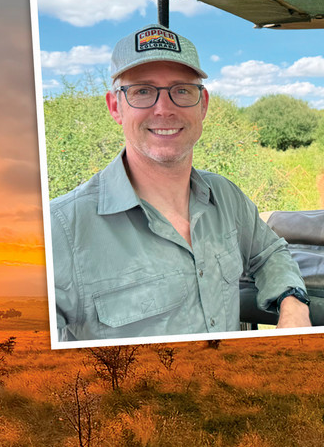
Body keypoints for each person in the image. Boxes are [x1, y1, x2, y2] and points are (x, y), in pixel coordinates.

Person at [50, 24, 310, 341]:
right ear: (116, 107)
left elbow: (270, 253)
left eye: (182, 90)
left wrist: (293, 306)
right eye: (142, 91)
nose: (164, 109)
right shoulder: (61, 230)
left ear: (203, 105)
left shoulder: (226, 197)